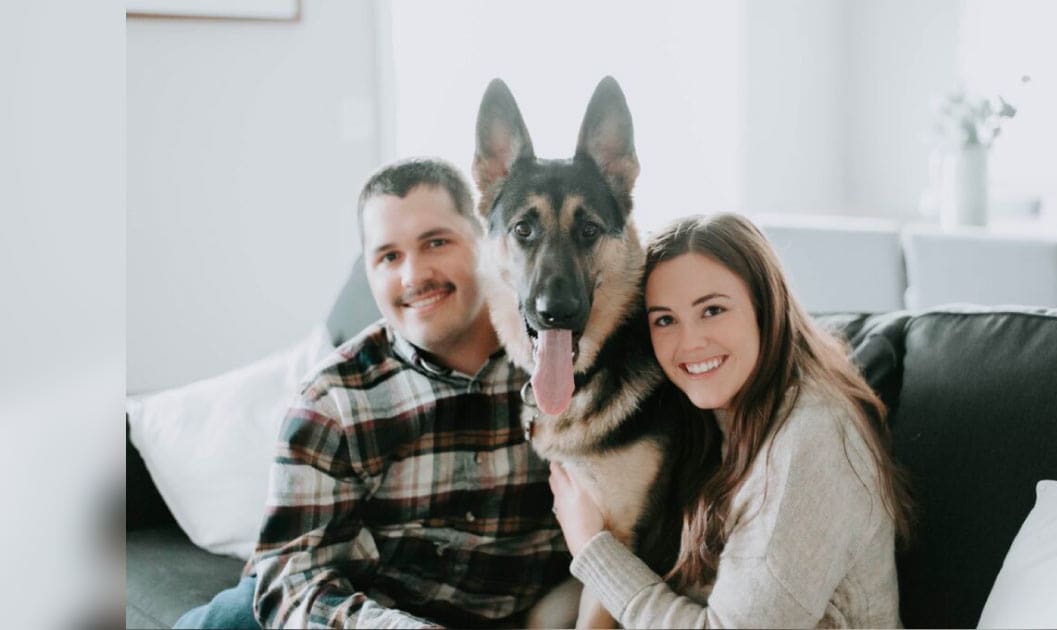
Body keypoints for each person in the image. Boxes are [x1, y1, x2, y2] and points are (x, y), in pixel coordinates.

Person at [175, 158, 572, 629]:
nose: (414, 276)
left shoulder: (557, 361)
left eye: (436, 242)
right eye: (389, 257)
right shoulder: (332, 402)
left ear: (486, 242)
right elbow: (292, 582)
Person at [548, 213, 913, 628]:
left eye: (713, 310)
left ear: (764, 305)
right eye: (665, 319)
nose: (690, 343)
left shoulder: (809, 438)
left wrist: (592, 549)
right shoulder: (704, 419)